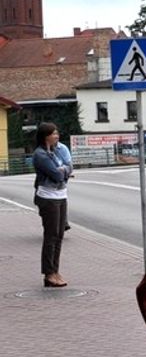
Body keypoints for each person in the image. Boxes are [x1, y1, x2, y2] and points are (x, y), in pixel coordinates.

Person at [32, 122, 71, 287]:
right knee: (51, 236)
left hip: (61, 195)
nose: (57, 136)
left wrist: (64, 170)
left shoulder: (56, 151)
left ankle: (55, 270)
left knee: (59, 235)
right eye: (54, 133)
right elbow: (57, 175)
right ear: (46, 136)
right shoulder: (40, 154)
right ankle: (48, 273)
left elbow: (69, 167)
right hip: (48, 197)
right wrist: (63, 170)